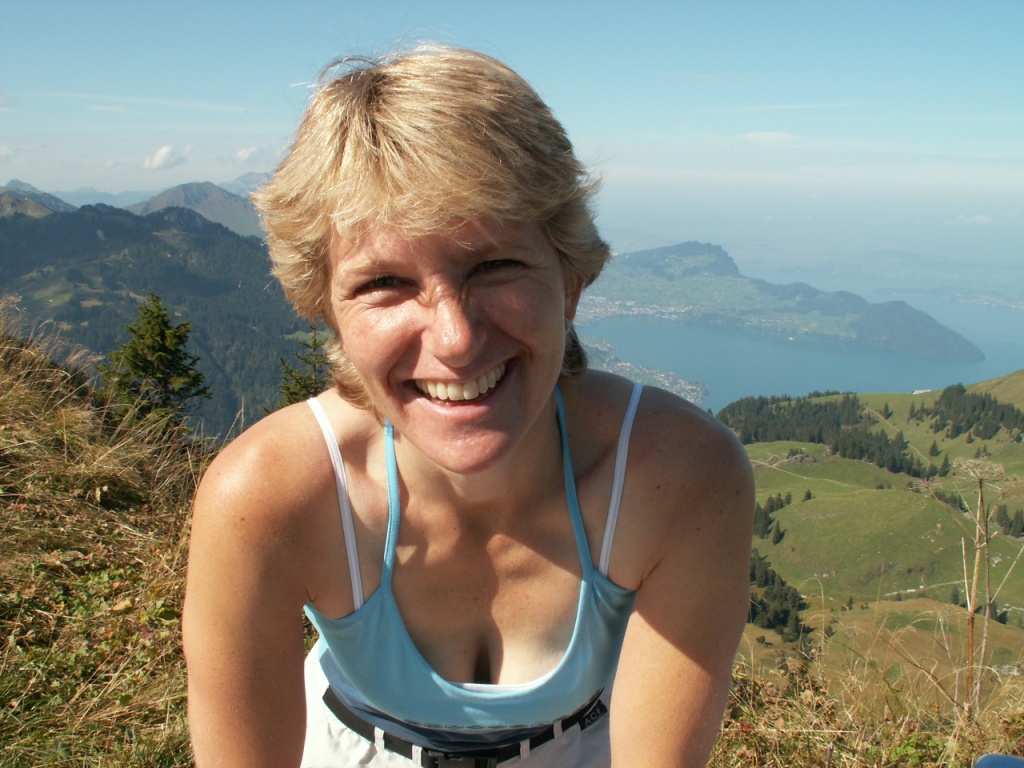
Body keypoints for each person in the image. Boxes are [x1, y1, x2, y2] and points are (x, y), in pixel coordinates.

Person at [183, 45, 754, 768]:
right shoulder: (265, 498)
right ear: (325, 308)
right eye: (385, 283)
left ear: (570, 281)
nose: (455, 340)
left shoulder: (680, 477)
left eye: (494, 265)